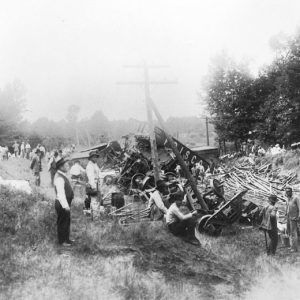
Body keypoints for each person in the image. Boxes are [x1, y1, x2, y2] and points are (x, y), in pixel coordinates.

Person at [54, 157, 74, 246]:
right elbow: (61, 194)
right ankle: (62, 241)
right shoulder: (59, 178)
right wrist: (65, 206)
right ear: (61, 167)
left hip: (65, 202)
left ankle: (67, 239)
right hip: (62, 203)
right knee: (62, 222)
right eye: (66, 165)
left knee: (66, 221)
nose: (68, 166)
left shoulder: (62, 175)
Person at [85, 151, 103, 216]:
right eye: (94, 157)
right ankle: (95, 216)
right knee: (94, 200)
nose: (95, 158)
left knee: (98, 200)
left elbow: (99, 174)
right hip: (93, 185)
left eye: (96, 157)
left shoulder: (95, 165)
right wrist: (94, 187)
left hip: (97, 184)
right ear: (91, 158)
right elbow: (91, 177)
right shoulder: (90, 166)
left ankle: (96, 214)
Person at [286, 186, 300, 252]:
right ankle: (292, 246)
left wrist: (298, 217)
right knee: (289, 232)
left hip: (294, 218)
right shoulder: (288, 198)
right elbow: (288, 207)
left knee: (294, 233)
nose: (287, 193)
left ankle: (295, 248)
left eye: (288, 191)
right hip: (288, 217)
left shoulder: (296, 198)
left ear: (291, 191)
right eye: (286, 191)